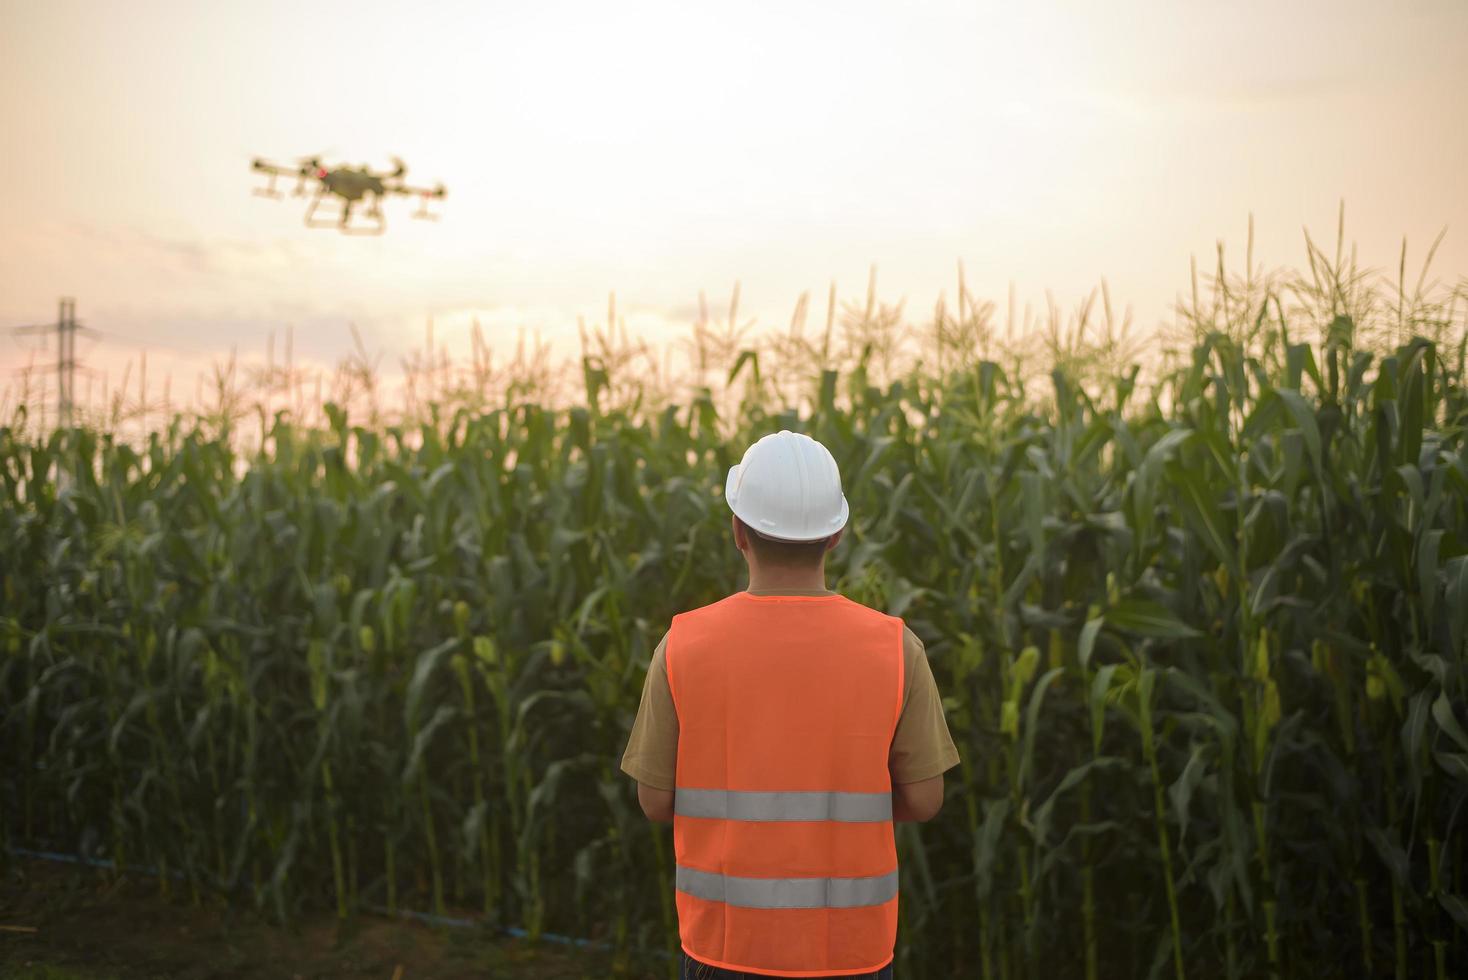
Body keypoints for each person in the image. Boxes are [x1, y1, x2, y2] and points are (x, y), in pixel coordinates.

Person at [621, 430, 960, 980]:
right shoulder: (895, 647)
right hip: (851, 952)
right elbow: (923, 800)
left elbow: (655, 801)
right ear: (836, 536)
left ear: (738, 531)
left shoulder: (683, 643)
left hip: (723, 947)